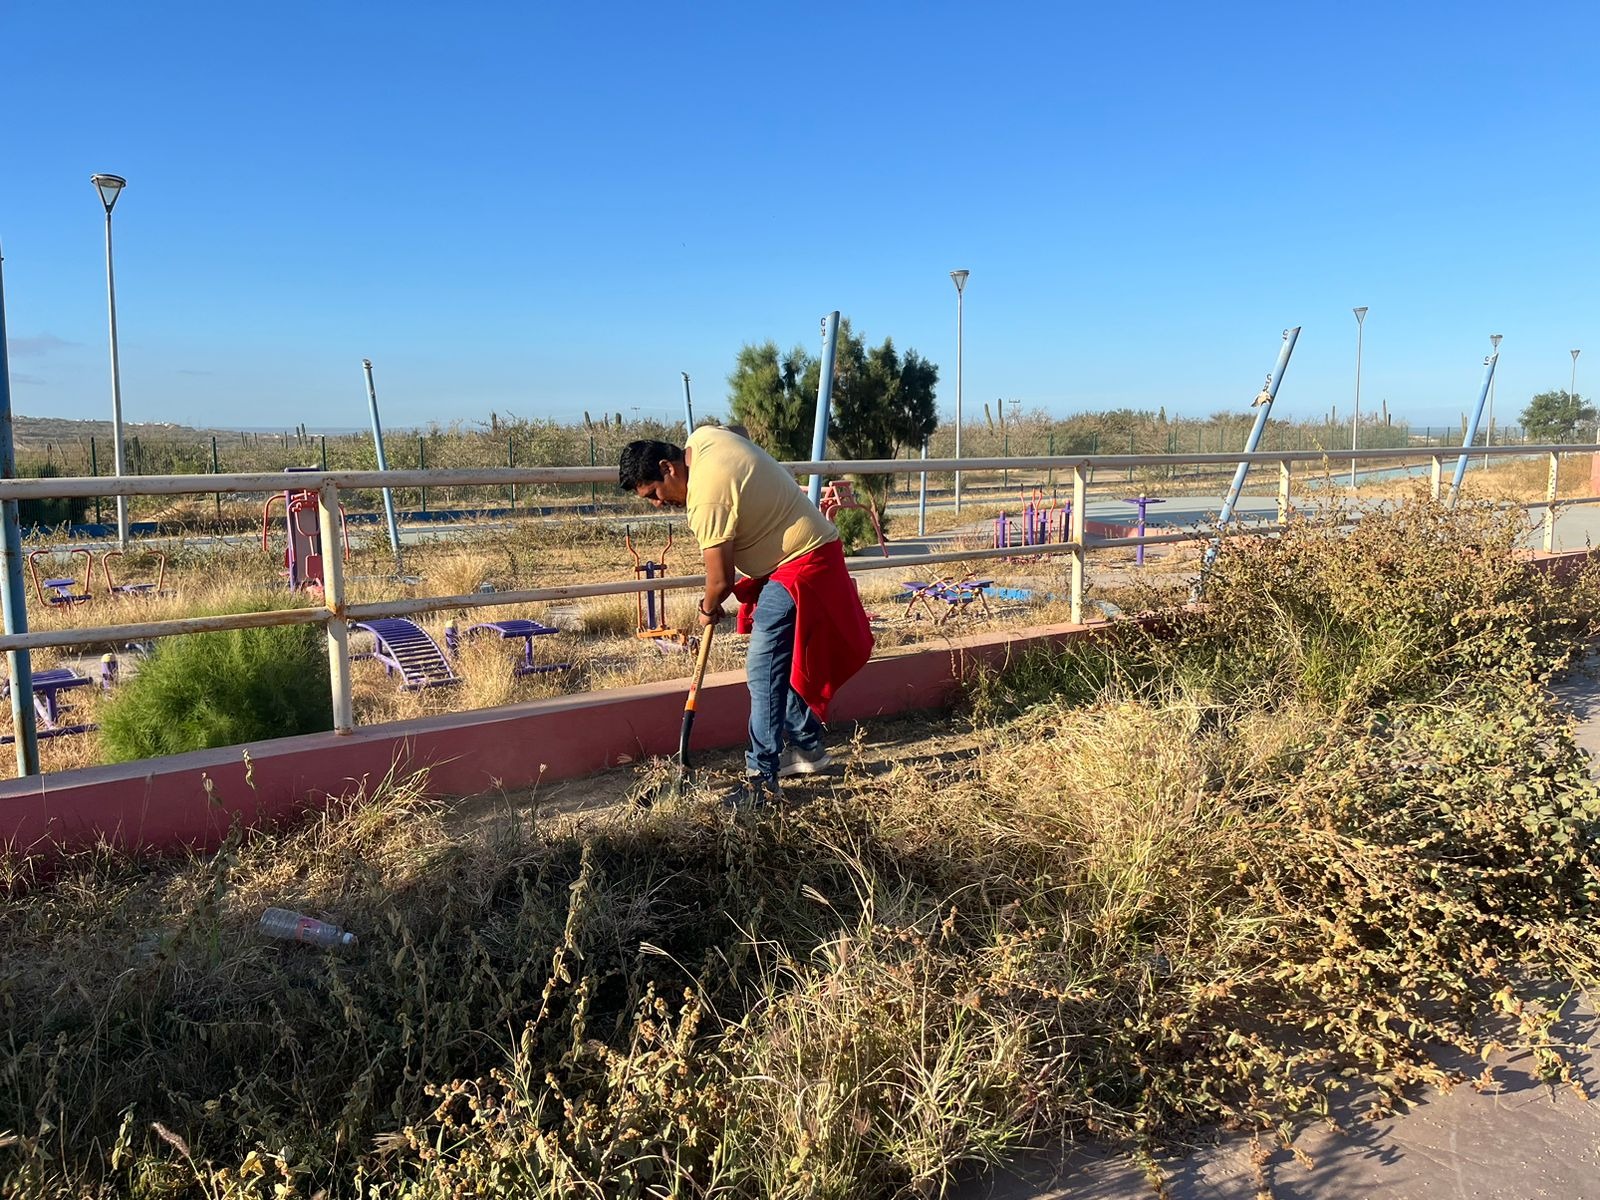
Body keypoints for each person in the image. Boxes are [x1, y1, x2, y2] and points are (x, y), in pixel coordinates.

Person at [619, 427, 874, 804]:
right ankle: (807, 747)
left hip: (802, 562)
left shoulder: (707, 498)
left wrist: (707, 609)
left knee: (762, 666)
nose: (658, 504)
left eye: (654, 494)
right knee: (776, 665)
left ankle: (761, 779)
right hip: (799, 555)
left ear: (668, 467)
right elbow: (735, 432)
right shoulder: (702, 439)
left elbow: (720, 582)